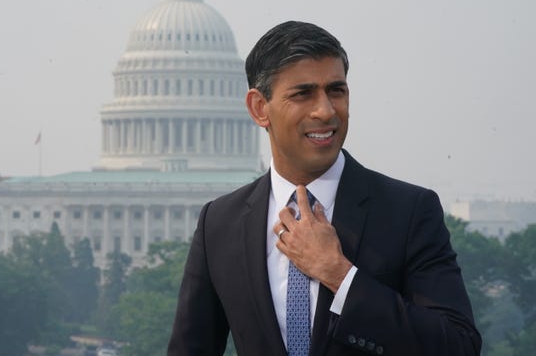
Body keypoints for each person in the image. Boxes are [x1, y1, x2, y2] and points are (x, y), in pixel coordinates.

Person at [167, 20, 481, 355]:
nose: (326, 110)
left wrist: (340, 275)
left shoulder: (408, 211)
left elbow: (458, 345)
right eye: (303, 94)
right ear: (260, 108)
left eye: (336, 90)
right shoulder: (220, 223)